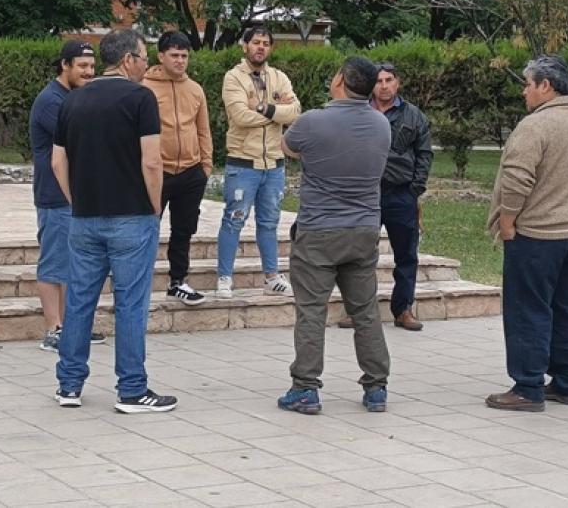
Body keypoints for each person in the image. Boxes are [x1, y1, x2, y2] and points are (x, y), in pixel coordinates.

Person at [51, 29, 176, 413]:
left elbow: (58, 161)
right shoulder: (141, 98)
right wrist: (154, 207)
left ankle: (69, 385)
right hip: (131, 217)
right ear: (127, 60)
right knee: (130, 304)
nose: (146, 65)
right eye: (143, 57)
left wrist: (77, 200)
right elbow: (151, 161)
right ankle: (131, 389)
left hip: (84, 218)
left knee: (79, 302)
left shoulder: (72, 101)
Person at [483, 55, 568, 412]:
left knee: (527, 309)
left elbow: (517, 178)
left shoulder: (535, 126)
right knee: (566, 309)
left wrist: (507, 223)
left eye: (527, 84)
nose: (524, 92)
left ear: (545, 86)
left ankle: (528, 387)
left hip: (538, 235)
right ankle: (566, 383)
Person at [277, 56, 392, 414]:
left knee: (311, 310)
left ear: (340, 80)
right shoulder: (381, 124)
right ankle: (376, 387)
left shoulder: (313, 121)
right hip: (364, 230)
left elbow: (289, 147)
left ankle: (305, 388)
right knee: (365, 311)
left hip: (319, 230)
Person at [339, 62, 433, 331]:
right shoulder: (359, 112)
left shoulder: (413, 115)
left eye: (388, 80)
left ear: (397, 83)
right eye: (379, 81)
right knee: (359, 255)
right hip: (365, 194)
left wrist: (415, 189)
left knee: (406, 255)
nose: (383, 86)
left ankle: (403, 308)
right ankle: (357, 310)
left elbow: (424, 154)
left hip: (401, 195)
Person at [30, 40, 106, 351]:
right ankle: (54, 329)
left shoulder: (74, 97)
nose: (89, 72)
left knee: (73, 265)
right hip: (55, 195)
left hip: (76, 195)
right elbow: (81, 141)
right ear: (65, 65)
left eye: (91, 66)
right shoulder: (52, 101)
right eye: (82, 66)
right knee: (53, 263)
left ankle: (71, 328)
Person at [216, 26, 301, 299]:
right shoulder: (233, 78)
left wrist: (263, 108)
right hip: (243, 164)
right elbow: (240, 116)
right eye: (255, 42)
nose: (260, 47)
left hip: (274, 164)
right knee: (233, 220)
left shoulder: (279, 77)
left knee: (270, 222)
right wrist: (278, 114)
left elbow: (296, 113)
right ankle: (224, 277)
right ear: (245, 46)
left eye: (265, 43)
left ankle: (272, 277)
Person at [143, 31, 213, 305]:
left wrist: (205, 166)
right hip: (157, 170)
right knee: (148, 227)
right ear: (160, 56)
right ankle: (139, 281)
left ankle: (178, 281)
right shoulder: (145, 87)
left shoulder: (195, 89)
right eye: (174, 55)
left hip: (191, 171)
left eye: (184, 56)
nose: (180, 61)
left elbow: (203, 129)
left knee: (184, 229)